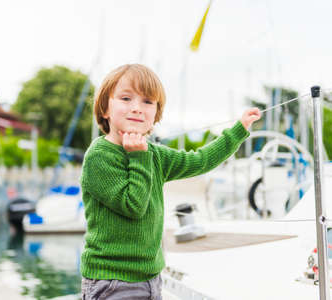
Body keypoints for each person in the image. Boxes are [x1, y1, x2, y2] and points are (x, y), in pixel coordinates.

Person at [80, 64, 261, 299]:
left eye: (147, 102)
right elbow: (133, 206)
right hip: (112, 280)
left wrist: (239, 129)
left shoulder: (154, 154)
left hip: (151, 278)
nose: (137, 108)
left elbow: (200, 161)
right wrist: (138, 156)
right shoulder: (100, 156)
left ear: (156, 114)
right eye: (126, 98)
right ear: (105, 108)